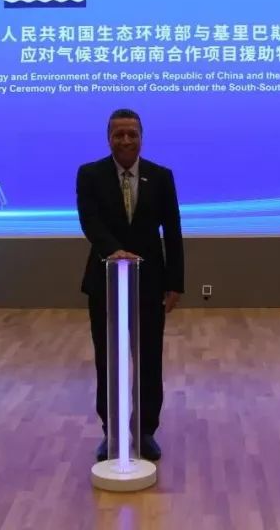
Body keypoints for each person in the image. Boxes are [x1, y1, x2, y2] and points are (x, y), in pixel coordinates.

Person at [76, 108, 184, 463]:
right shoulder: (90, 174)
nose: (125, 140)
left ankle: (146, 430)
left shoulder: (161, 176)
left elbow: (173, 230)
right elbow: (90, 221)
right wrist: (114, 251)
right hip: (104, 281)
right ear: (108, 138)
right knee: (108, 359)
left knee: (149, 359)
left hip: (150, 283)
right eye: (118, 134)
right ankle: (112, 431)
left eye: (132, 134)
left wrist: (175, 282)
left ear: (141, 137)